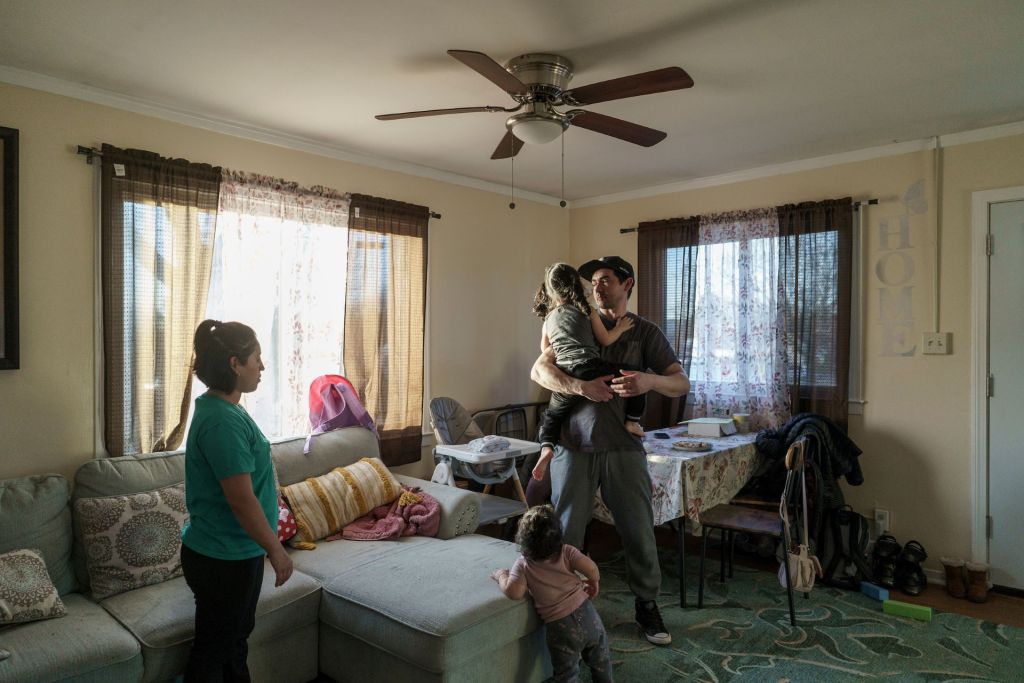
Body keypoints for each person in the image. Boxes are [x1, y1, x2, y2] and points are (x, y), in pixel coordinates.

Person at [530, 256, 690, 646]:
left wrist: (649, 381)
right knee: (566, 529)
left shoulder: (644, 332)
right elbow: (539, 371)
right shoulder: (574, 320)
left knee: (638, 528)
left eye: (604, 280)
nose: (596, 287)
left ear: (626, 284)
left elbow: (681, 382)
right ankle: (563, 606)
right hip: (574, 446)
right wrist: (580, 387)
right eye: (592, 282)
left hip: (624, 447)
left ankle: (647, 604)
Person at [180, 319, 293, 682]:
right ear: (235, 363)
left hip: (235, 552)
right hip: (223, 558)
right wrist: (275, 549)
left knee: (232, 643)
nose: (262, 366)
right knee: (216, 651)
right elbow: (242, 501)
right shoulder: (222, 422)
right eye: (256, 359)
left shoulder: (224, 409)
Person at [531, 262, 643, 483]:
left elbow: (546, 350)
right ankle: (632, 421)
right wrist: (619, 329)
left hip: (565, 372)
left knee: (552, 416)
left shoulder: (548, 320)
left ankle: (546, 448)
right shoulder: (587, 311)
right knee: (635, 378)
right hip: (589, 367)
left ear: (551, 291)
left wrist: (563, 344)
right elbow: (606, 339)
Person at [491, 505, 612, 683]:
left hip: (560, 628)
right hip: (588, 617)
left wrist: (502, 575)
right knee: (601, 659)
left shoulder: (523, 564)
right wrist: (593, 581)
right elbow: (592, 569)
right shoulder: (567, 552)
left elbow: (514, 592)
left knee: (567, 673)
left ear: (522, 540)